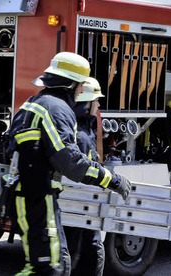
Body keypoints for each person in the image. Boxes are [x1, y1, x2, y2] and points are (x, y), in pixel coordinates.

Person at [7, 52, 132, 276]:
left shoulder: (35, 103)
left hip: (27, 194)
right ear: (72, 84)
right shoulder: (56, 109)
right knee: (50, 269)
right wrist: (112, 180)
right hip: (37, 197)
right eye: (81, 85)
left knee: (50, 266)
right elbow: (71, 162)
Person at [64, 77, 106, 276]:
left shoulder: (81, 127)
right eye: (96, 101)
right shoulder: (80, 134)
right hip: (80, 208)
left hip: (80, 208)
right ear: (87, 103)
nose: (98, 105)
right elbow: (82, 169)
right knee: (87, 255)